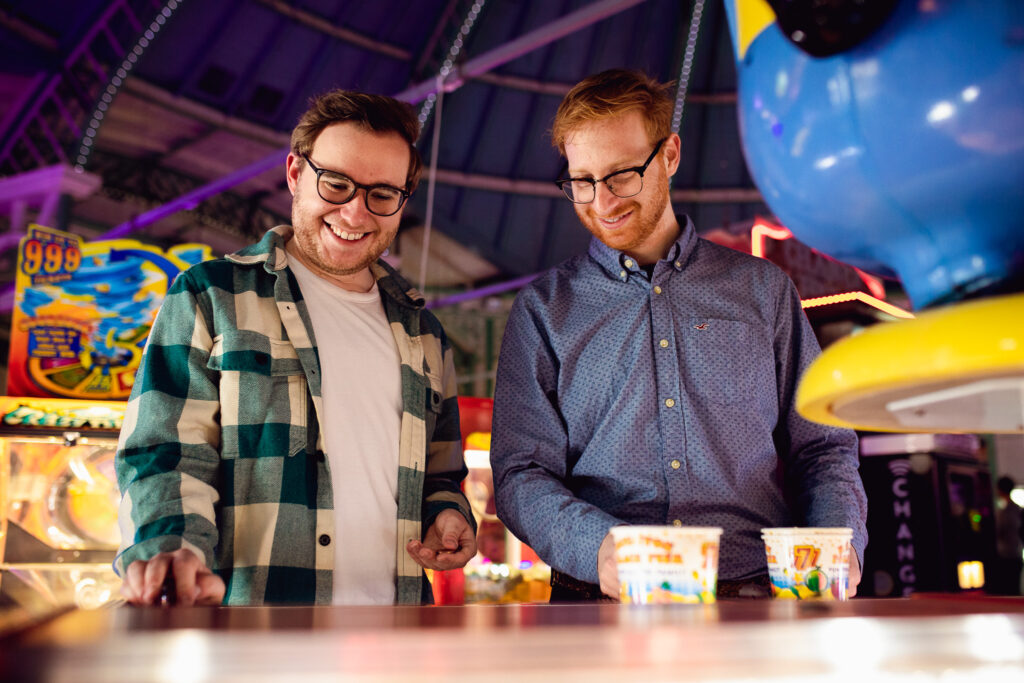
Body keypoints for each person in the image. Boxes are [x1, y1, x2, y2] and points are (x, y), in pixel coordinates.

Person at [490, 69, 868, 601]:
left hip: (757, 593)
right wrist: (598, 547)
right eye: (581, 181)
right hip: (599, 599)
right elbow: (520, 471)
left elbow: (822, 445)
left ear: (669, 155)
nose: (601, 202)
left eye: (621, 175)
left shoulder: (762, 290)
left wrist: (838, 540)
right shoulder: (544, 309)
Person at [115, 89, 477, 606]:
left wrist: (447, 514)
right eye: (336, 184)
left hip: (400, 636)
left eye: (382, 194)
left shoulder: (424, 333)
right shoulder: (210, 296)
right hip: (253, 632)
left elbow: (440, 471)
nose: (355, 212)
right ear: (294, 174)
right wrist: (172, 548)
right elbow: (166, 452)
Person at [992, 475, 1023, 595]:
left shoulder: (1004, 512)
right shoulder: (1018, 510)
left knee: (1008, 590)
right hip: (1015, 553)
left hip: (1006, 555)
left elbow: (1000, 531)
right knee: (1014, 589)